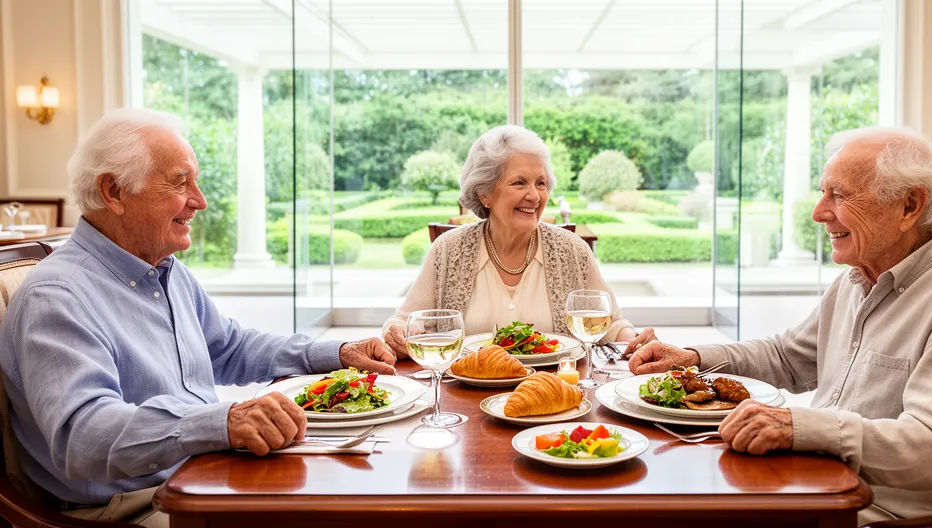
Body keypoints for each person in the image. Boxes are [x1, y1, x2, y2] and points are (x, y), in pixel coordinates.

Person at [0, 108, 397, 526]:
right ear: (114, 191)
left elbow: (229, 347)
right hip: (133, 507)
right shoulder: (57, 296)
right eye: (180, 182)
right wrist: (222, 422)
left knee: (348, 495)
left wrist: (338, 352)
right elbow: (84, 436)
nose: (200, 201)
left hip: (198, 475)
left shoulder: (164, 270)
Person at [628, 126, 932, 524]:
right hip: (818, 488)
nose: (818, 212)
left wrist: (798, 428)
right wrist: (693, 359)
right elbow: (787, 357)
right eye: (823, 192)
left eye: (839, 194)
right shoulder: (858, 278)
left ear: (909, 205)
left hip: (878, 515)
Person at [381, 125, 656, 358]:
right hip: (467, 394)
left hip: (554, 392)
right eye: (519, 183)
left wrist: (634, 340)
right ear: (485, 194)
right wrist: (397, 333)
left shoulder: (573, 250)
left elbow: (611, 325)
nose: (534, 196)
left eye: (540, 183)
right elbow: (405, 322)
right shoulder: (448, 250)